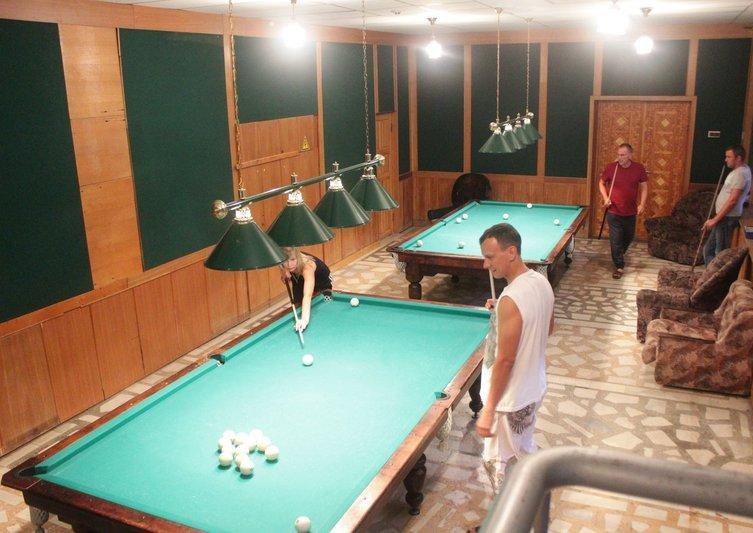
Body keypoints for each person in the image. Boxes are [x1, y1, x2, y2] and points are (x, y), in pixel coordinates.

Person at [475, 223, 555, 494]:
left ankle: (512, 512)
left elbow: (505, 361)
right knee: (522, 449)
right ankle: (533, 494)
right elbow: (548, 327)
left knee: (498, 466)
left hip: (510, 400)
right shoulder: (541, 282)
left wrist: (488, 410)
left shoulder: (511, 298)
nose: (486, 265)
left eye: (490, 257)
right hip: (533, 389)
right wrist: (504, 313)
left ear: (511, 252)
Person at [598, 143, 648, 279]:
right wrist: (605, 197)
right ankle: (619, 266)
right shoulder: (611, 167)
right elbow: (601, 183)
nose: (620, 157)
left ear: (630, 155)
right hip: (614, 211)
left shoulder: (638, 168)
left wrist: (642, 204)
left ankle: (619, 253)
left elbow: (644, 187)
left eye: (623, 155)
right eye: (619, 155)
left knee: (628, 237)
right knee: (615, 240)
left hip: (630, 212)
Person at [702, 144, 752, 265]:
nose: (726, 159)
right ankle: (710, 275)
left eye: (729, 157)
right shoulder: (742, 170)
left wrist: (715, 220)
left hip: (726, 218)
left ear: (738, 158)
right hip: (723, 218)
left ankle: (717, 276)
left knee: (720, 254)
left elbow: (732, 200)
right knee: (708, 250)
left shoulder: (740, 174)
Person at [280, 247, 332, 331]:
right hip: (299, 275)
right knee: (298, 302)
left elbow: (307, 296)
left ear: (298, 257)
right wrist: (284, 270)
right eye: (286, 261)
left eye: (293, 259)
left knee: (319, 302)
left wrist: (304, 320)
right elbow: (278, 261)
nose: (289, 264)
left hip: (322, 283)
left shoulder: (308, 267)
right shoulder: (285, 260)